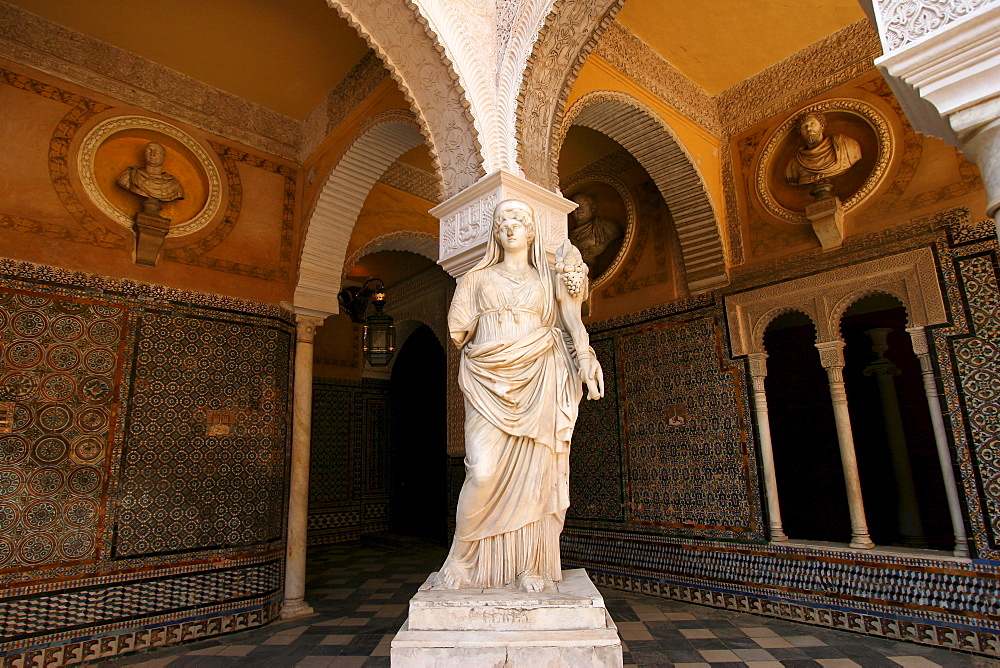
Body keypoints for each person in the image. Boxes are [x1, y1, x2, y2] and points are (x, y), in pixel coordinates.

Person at [435, 199, 603, 593]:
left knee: (536, 479)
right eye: (503, 221)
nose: (511, 227)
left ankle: (529, 564)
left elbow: (572, 323)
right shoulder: (475, 280)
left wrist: (585, 360)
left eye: (520, 220)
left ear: (532, 231)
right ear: (496, 232)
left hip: (540, 377)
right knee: (483, 470)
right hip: (488, 379)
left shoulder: (548, 279)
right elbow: (459, 330)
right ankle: (461, 557)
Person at [784, 111, 861, 190]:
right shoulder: (794, 164)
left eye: (812, 124)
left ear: (822, 126)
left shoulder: (845, 145)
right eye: (804, 127)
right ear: (800, 132)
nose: (809, 129)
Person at [116, 141, 184, 214]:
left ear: (164, 158)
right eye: (149, 150)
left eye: (157, 151)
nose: (152, 154)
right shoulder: (129, 176)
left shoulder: (174, 185)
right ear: (144, 155)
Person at [568, 193, 622, 272]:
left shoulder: (607, 226)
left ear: (592, 208)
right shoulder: (567, 236)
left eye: (584, 204)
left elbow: (616, 247)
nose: (579, 208)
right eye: (576, 205)